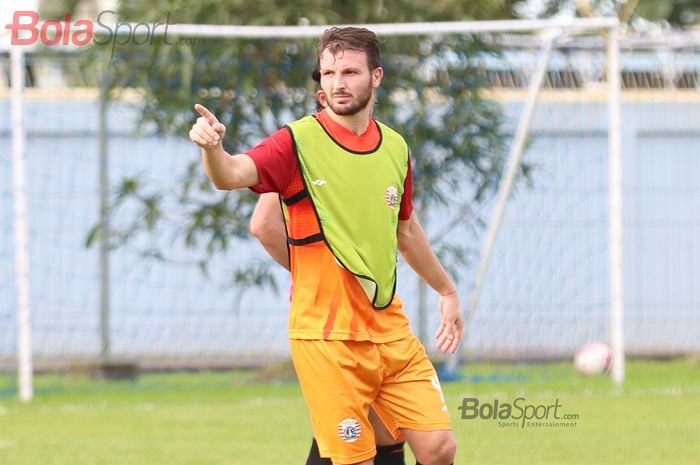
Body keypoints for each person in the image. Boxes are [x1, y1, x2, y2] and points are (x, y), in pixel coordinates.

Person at [189, 27, 463, 465]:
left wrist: (447, 290)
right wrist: (213, 148)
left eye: (350, 72)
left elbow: (406, 232)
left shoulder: (395, 147)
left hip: (389, 327)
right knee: (356, 457)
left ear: (376, 76)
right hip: (326, 335)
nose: (337, 82)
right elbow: (230, 176)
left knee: (438, 449)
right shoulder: (296, 142)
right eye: (328, 72)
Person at [250, 86, 407, 465]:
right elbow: (262, 224)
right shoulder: (301, 148)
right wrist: (315, 266)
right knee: (357, 430)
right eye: (332, 75)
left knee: (375, 426)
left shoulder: (380, 147)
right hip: (329, 315)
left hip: (368, 312)